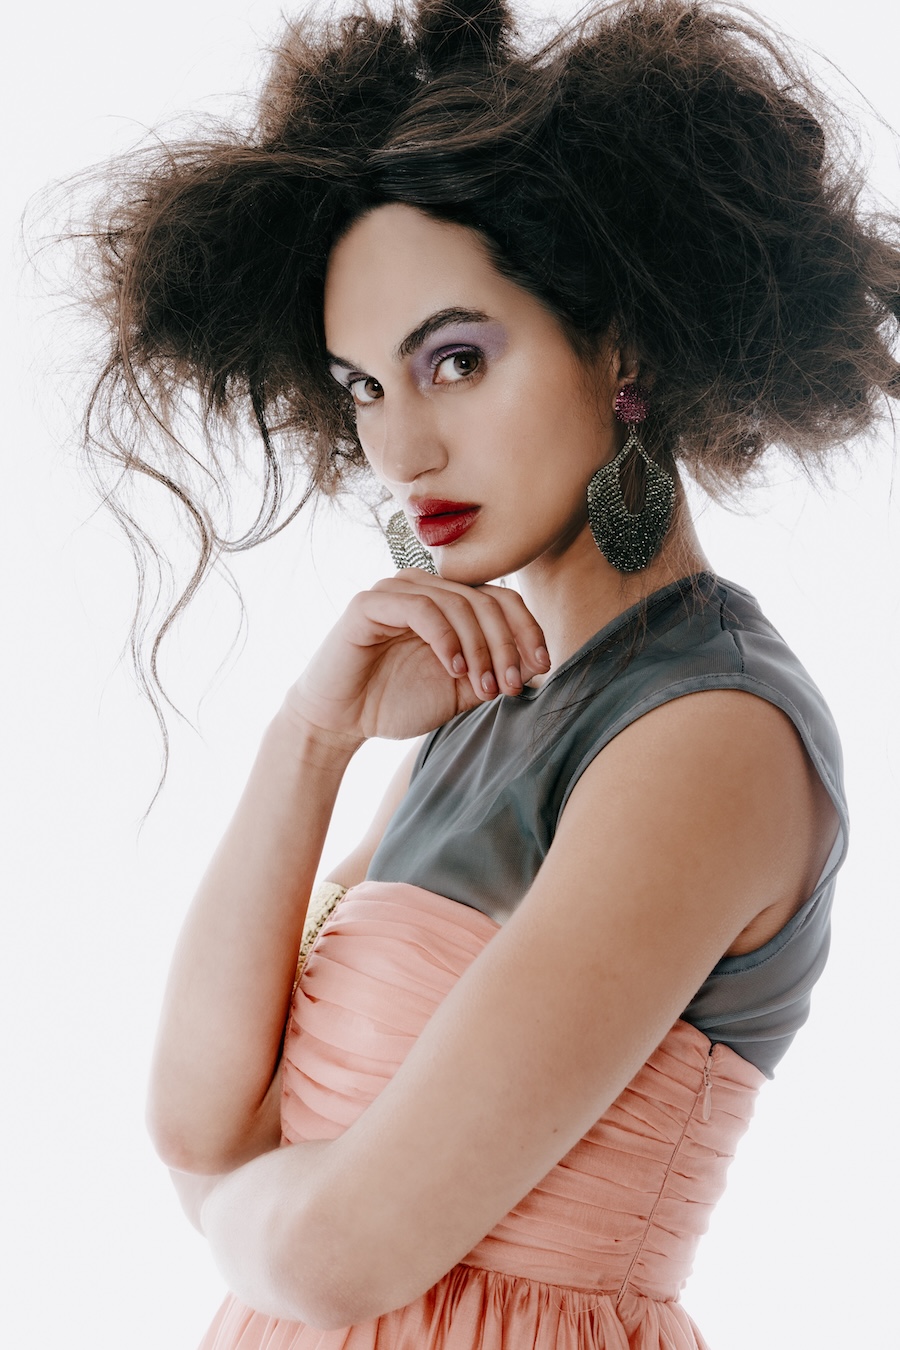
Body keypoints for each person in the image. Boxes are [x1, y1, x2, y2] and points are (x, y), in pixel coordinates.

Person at [76, 0, 898, 1345]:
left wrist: (223, 1208)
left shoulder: (710, 733)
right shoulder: (489, 700)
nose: (401, 449)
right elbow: (197, 1118)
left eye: (454, 361)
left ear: (622, 347)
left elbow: (338, 1251)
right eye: (362, 387)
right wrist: (311, 736)